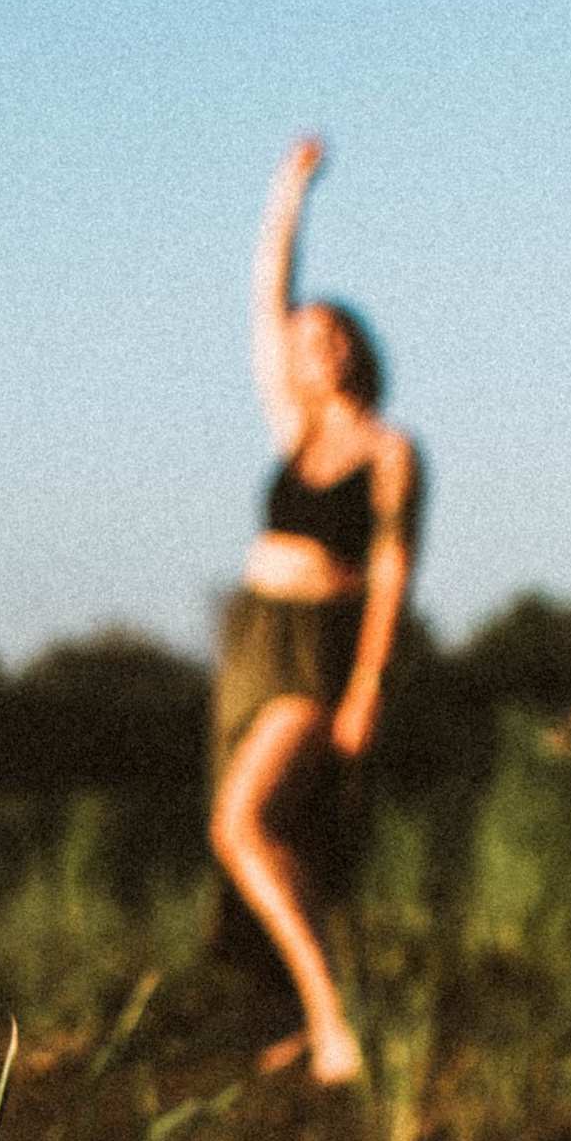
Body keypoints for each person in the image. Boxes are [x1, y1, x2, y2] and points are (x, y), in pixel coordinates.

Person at [208, 139, 422, 1086]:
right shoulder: (291, 432)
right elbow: (265, 296)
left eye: (333, 334)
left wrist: (370, 684)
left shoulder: (390, 451)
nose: (315, 344)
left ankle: (337, 1027)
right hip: (253, 637)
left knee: (242, 824)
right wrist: (285, 194)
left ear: (358, 350)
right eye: (305, 338)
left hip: (322, 649)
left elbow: (392, 573)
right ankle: (317, 1011)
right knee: (291, 838)